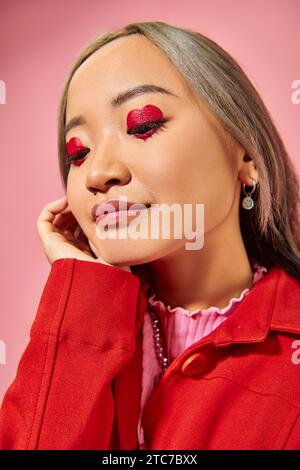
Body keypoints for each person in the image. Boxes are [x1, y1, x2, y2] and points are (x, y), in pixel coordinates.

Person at [0, 20, 300, 450]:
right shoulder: (76, 325)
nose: (99, 174)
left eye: (142, 125)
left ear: (245, 154)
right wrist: (82, 294)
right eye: (78, 153)